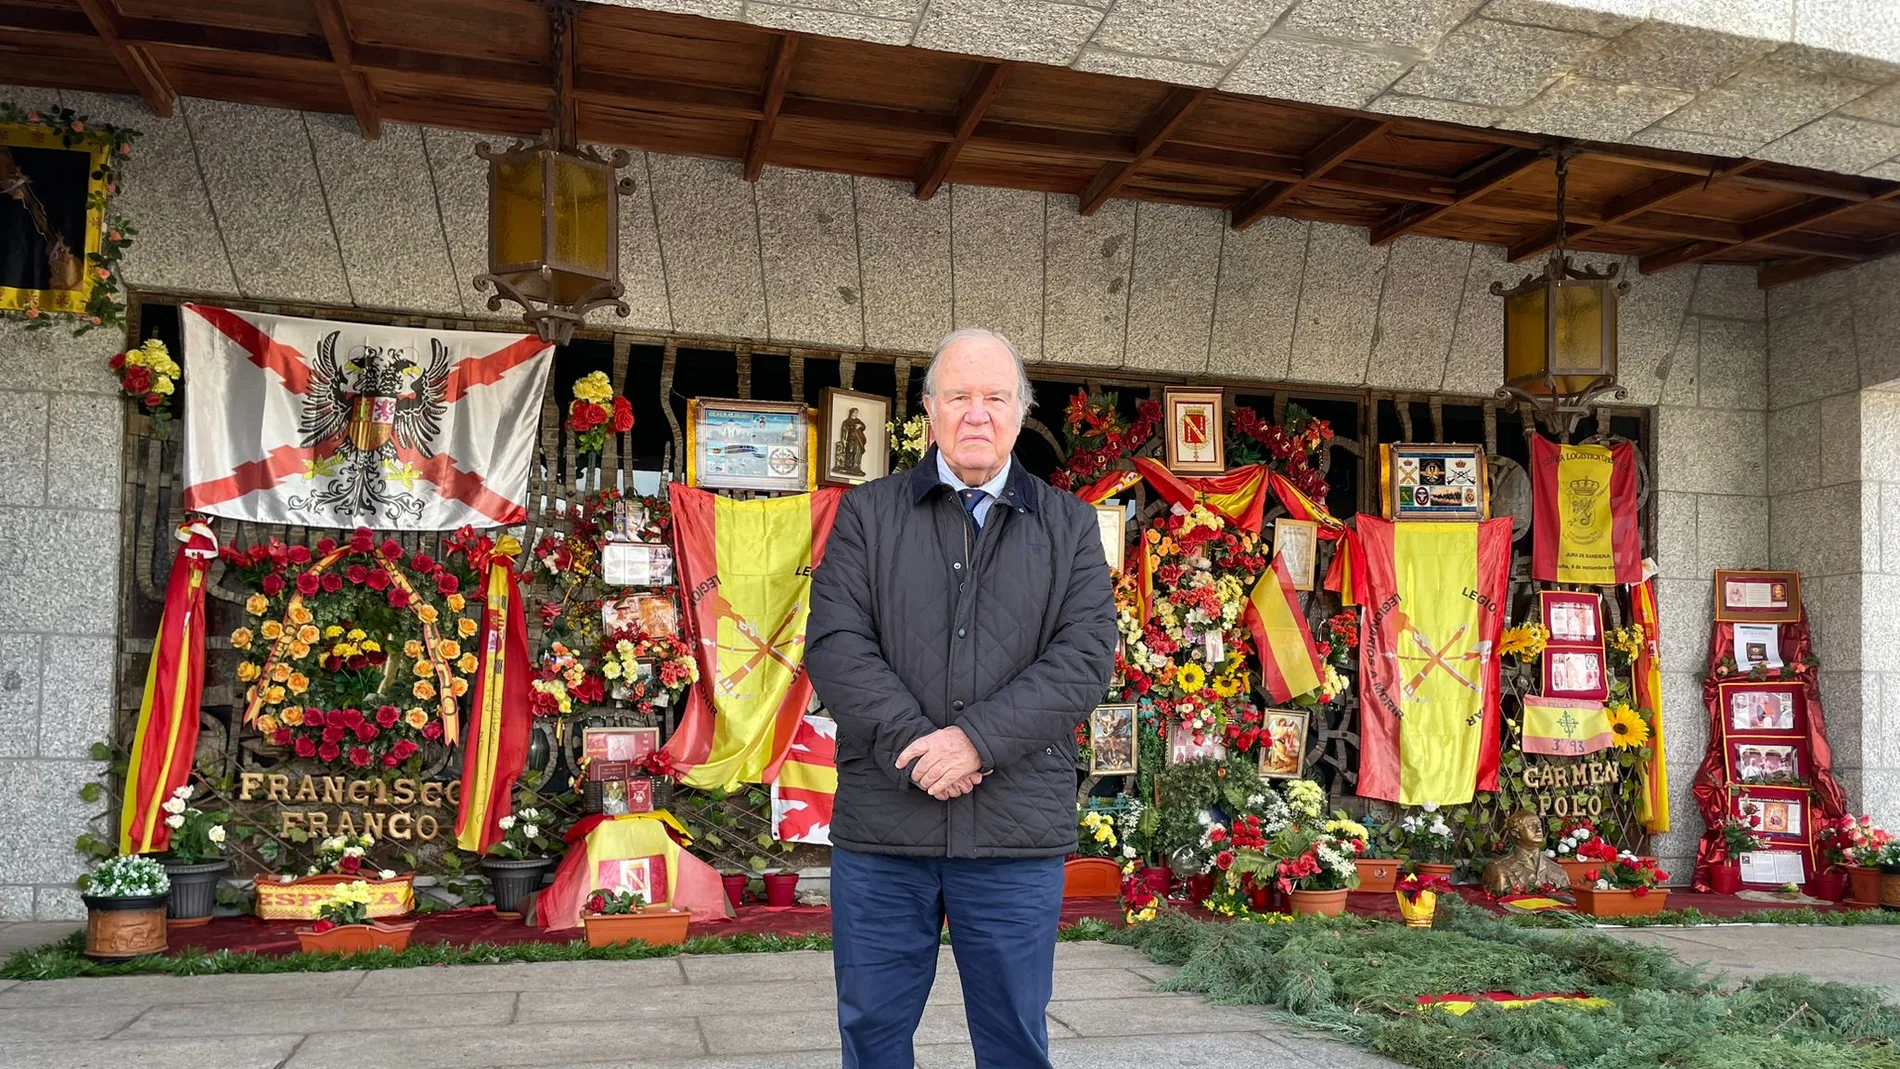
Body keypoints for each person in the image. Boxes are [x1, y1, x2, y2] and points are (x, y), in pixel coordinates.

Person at [806, 328, 1117, 1069]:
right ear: (928, 411)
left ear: (1020, 412)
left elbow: (1083, 660)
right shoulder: (867, 515)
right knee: (873, 1034)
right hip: (885, 830)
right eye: (959, 396)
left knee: (1014, 1039)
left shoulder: (1069, 526)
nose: (977, 413)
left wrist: (972, 742)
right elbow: (836, 647)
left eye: (996, 397)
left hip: (1013, 836)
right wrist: (921, 750)